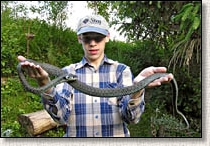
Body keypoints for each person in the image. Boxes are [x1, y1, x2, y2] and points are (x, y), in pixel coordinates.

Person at [17, 14, 173, 137]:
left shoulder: (121, 71)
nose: (92, 43)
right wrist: (45, 82)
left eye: (97, 38)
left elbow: (132, 118)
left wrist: (137, 88)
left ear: (107, 37)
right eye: (87, 38)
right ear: (79, 39)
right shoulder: (67, 72)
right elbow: (60, 117)